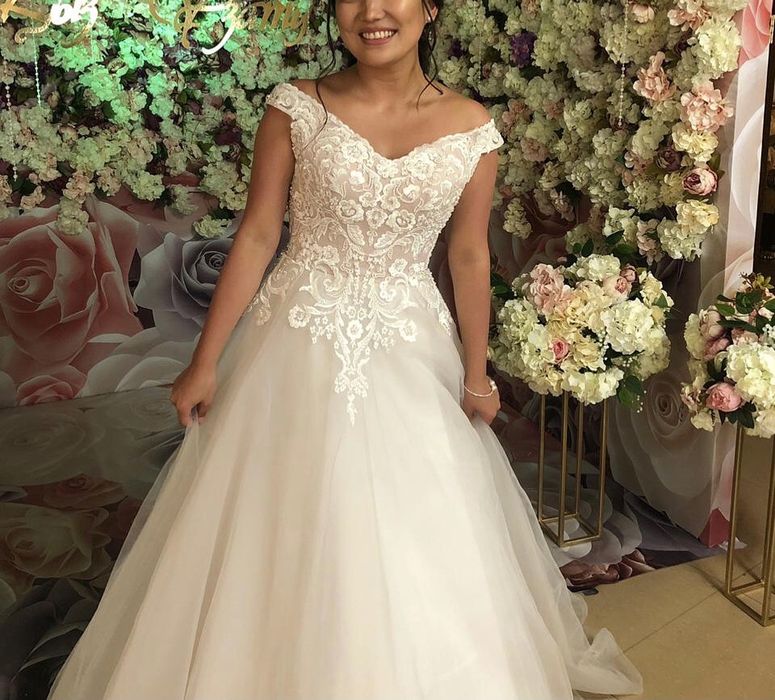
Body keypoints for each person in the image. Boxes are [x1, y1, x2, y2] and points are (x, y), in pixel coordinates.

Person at [47, 0, 644, 698]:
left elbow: (468, 255)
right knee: (279, 513)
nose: (371, 12)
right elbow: (259, 234)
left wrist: (477, 373)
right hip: (296, 338)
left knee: (416, 518)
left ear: (429, 9)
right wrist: (204, 362)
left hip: (409, 340)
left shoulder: (470, 127)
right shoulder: (298, 108)